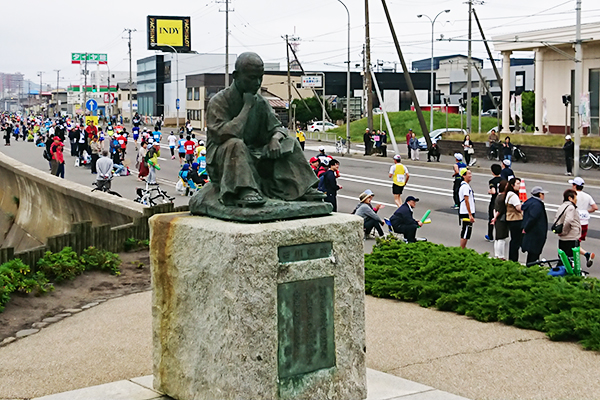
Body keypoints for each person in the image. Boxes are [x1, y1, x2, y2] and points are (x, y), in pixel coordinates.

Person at [204, 52, 322, 207]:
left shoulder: (261, 102)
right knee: (235, 144)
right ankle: (245, 190)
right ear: (236, 76)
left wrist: (275, 139)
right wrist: (247, 107)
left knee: (290, 142)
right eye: (252, 78)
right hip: (225, 159)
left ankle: (302, 188)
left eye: (260, 77)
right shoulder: (218, 102)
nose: (257, 83)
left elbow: (278, 128)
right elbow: (225, 135)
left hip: (255, 153)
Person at [521, 186, 549, 263]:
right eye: (542, 194)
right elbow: (533, 218)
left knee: (532, 253)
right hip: (536, 233)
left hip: (532, 233)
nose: (543, 196)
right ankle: (531, 269)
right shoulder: (537, 205)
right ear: (539, 194)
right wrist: (526, 228)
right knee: (534, 254)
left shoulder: (529, 202)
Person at [569, 177, 598, 242]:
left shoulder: (573, 195)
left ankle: (584, 252)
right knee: (578, 241)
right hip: (584, 222)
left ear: (575, 186)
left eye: (573, 185)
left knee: (572, 240)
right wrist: (587, 211)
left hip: (575, 221)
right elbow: (595, 207)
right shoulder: (587, 196)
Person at [504, 177, 523, 262]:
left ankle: (512, 258)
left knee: (514, 240)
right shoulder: (514, 196)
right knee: (516, 240)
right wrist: (524, 205)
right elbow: (518, 208)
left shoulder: (508, 194)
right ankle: (513, 259)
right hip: (516, 219)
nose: (519, 186)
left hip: (510, 219)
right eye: (518, 184)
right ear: (512, 185)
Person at [491, 180, 509, 259]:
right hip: (502, 219)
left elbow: (495, 209)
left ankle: (497, 254)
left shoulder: (498, 196)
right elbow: (500, 210)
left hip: (497, 219)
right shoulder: (503, 197)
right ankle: (500, 255)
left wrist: (494, 217)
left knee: (497, 238)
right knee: (501, 238)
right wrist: (495, 217)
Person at [485, 164, 503, 242]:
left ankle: (490, 235)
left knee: (492, 218)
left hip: (495, 201)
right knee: (500, 218)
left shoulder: (492, 181)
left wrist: (489, 191)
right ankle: (500, 235)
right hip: (502, 200)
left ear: (492, 172)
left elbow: (493, 191)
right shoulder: (503, 180)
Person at [458, 169, 475, 249]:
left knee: (467, 231)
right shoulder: (465, 187)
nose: (470, 175)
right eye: (468, 174)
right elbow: (466, 200)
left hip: (467, 211)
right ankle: (462, 249)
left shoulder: (466, 186)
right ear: (463, 176)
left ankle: (463, 247)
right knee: (466, 230)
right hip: (466, 212)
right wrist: (470, 214)